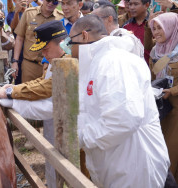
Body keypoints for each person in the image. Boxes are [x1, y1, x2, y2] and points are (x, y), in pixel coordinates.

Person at [71, 14, 172, 187]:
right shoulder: (98, 62)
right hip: (119, 165)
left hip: (134, 167)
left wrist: (79, 137)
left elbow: (123, 119)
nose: (69, 49)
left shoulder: (113, 62)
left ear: (84, 36)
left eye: (70, 43)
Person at [0, 20, 68, 188]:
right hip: (56, 123)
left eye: (46, 48)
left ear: (60, 42)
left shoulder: (69, 61)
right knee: (54, 161)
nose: (43, 53)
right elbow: (41, 81)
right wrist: (13, 88)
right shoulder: (56, 59)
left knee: (70, 169)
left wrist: (11, 93)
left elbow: (46, 87)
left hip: (70, 127)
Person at [149, 12, 178, 182]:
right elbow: (152, 77)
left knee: (172, 156)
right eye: (154, 28)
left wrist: (172, 91)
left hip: (176, 112)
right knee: (161, 155)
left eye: (160, 27)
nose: (156, 32)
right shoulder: (156, 50)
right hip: (160, 110)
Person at [11, 0, 64, 82]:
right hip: (30, 65)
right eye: (48, 0)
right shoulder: (29, 13)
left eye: (55, 2)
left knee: (49, 93)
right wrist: (15, 62)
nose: (50, 3)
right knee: (27, 92)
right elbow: (19, 38)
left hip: (50, 66)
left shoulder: (61, 18)